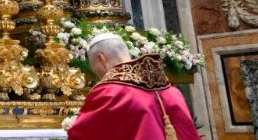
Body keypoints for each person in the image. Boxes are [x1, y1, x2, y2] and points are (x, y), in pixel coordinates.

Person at [66, 33, 199, 140]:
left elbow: (83, 134)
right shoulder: (171, 90)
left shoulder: (109, 92)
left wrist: (72, 127)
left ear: (101, 58)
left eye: (92, 66)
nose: (95, 73)